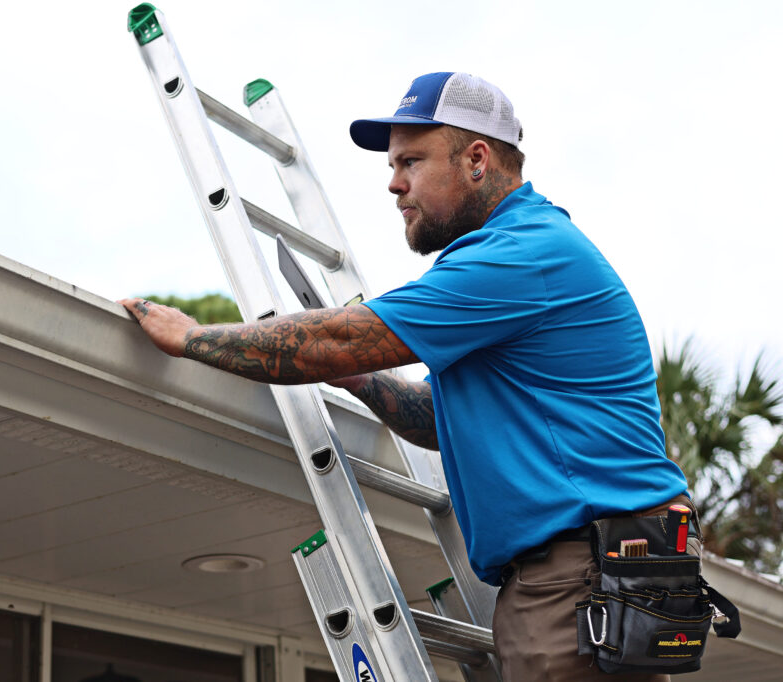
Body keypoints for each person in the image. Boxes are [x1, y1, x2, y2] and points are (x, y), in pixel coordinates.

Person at [120, 72, 692, 681]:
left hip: (575, 580)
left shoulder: (517, 256)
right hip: (592, 574)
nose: (394, 183)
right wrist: (362, 381)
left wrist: (191, 338)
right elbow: (435, 422)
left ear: (476, 159)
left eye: (411, 162)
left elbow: (336, 339)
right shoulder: (527, 253)